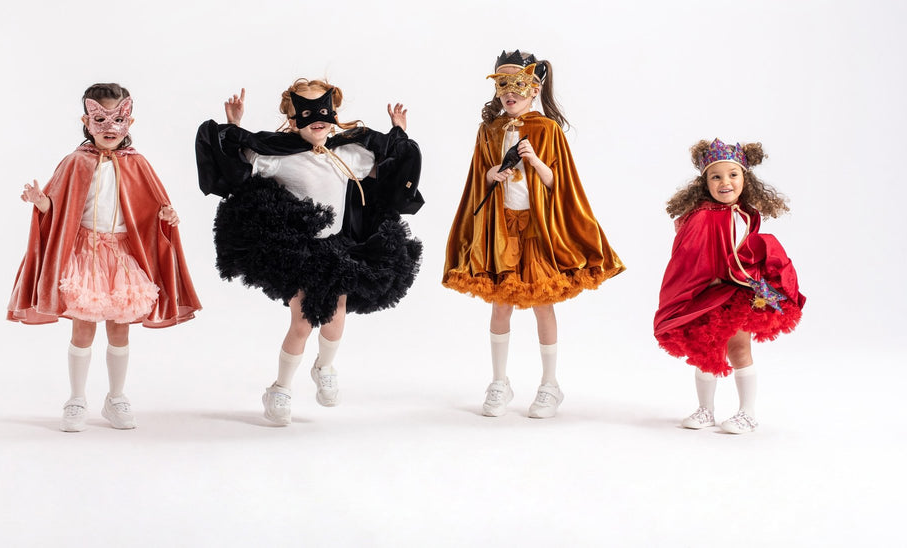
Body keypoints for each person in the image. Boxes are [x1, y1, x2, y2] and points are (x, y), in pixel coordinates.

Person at [195, 80, 423, 426]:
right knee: (302, 321)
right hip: (298, 249)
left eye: (324, 111)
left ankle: (324, 366)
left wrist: (398, 132)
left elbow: (389, 165)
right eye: (308, 112)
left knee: (337, 312)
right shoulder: (276, 158)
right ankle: (280, 389)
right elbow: (235, 165)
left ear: (334, 114)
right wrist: (235, 127)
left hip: (337, 246)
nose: (318, 119)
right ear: (293, 119)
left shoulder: (349, 154)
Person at [8, 83, 201, 432]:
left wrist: (167, 217)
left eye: (118, 119)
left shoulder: (138, 163)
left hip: (123, 256)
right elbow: (57, 207)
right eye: (100, 119)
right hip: (85, 254)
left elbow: (154, 208)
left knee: (119, 329)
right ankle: (76, 399)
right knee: (83, 328)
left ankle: (116, 397)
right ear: (86, 120)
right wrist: (40, 200)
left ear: (130, 121)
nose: (110, 128)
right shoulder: (74, 162)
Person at [443, 50, 624, 418]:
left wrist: (535, 160)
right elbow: (479, 178)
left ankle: (550, 385)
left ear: (534, 89)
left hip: (538, 230)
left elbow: (561, 181)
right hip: (502, 228)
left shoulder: (547, 129)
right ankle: (499, 381)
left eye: (518, 86)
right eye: (503, 86)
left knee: (544, 304)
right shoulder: (489, 130)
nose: (510, 94)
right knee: (500, 305)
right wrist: (493, 175)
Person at [654, 139, 805, 434]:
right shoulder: (700, 216)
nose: (726, 182)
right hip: (707, 292)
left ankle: (747, 413)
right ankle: (705, 410)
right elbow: (687, 257)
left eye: (733, 175)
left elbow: (745, 249)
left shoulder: (746, 213)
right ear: (705, 183)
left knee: (739, 348)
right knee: (706, 350)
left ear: (745, 179)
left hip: (739, 292)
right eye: (716, 176)